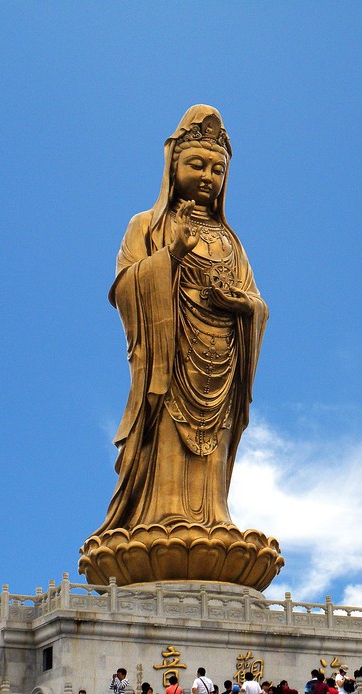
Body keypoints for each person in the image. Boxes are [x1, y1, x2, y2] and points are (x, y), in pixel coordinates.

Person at [82, 105, 267, 549]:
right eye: (197, 164)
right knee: (166, 428)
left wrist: (239, 304)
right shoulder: (146, 226)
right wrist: (172, 257)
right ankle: (160, 515)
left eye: (218, 169)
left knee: (214, 446)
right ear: (173, 165)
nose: (208, 176)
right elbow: (125, 285)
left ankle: (213, 516)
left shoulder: (230, 240)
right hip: (169, 361)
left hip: (221, 360)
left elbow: (258, 304)